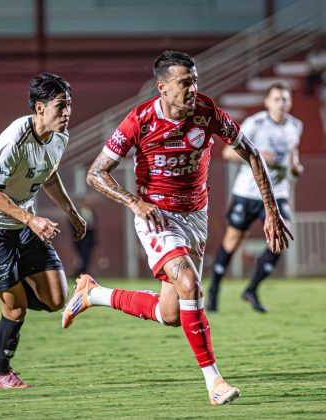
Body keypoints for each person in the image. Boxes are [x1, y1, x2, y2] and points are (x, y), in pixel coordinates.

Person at [60, 51, 292, 406]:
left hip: (195, 216)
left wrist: (272, 211)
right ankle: (214, 381)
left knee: (171, 314)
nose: (193, 89)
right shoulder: (140, 120)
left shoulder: (207, 112)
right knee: (189, 283)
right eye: (185, 83)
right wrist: (135, 202)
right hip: (157, 217)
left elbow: (252, 153)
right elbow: (96, 173)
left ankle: (94, 294)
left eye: (195, 81)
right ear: (163, 88)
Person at [0, 73, 87, 389]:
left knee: (56, 298)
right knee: (15, 309)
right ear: (40, 108)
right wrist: (31, 220)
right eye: (61, 105)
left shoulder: (59, 136)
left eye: (69, 104)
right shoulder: (13, 140)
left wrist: (72, 213)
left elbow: (48, 175)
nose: (67, 112)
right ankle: (1, 373)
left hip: (24, 225)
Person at [207, 83, 303, 314]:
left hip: (277, 194)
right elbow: (227, 152)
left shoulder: (295, 126)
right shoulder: (255, 123)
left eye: (285, 99)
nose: (281, 103)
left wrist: (296, 166)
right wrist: (257, 155)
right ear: (267, 102)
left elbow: (293, 155)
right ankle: (214, 289)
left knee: (281, 238)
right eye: (277, 99)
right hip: (248, 192)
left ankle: (251, 289)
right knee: (232, 242)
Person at [71, 193, 97, 277]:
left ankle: (81, 274)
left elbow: (94, 225)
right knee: (84, 257)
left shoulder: (90, 211)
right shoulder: (76, 213)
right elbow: (71, 225)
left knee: (87, 257)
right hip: (81, 239)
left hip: (89, 239)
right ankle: (78, 273)